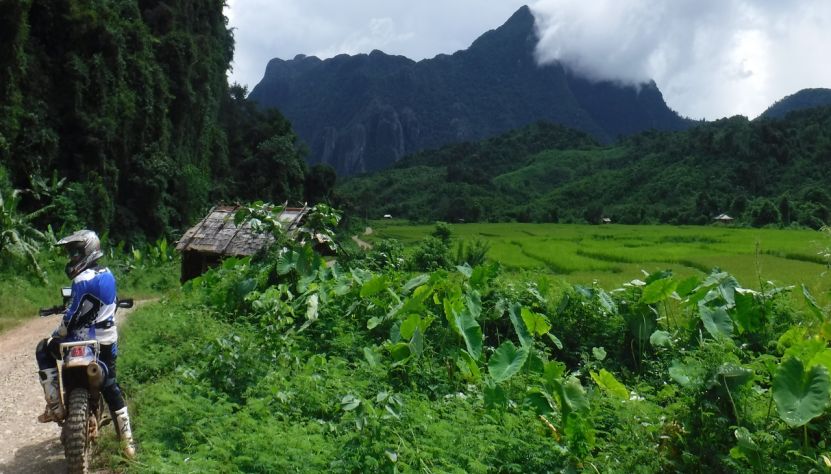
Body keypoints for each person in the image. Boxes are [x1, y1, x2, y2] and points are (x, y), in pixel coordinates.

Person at [35, 229, 136, 458]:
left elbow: (70, 318)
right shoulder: (109, 274)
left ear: (88, 251)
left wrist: (56, 333)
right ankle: (128, 444)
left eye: (75, 253)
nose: (72, 258)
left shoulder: (81, 280)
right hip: (106, 342)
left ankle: (56, 407)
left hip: (79, 340)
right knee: (110, 385)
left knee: (43, 348)